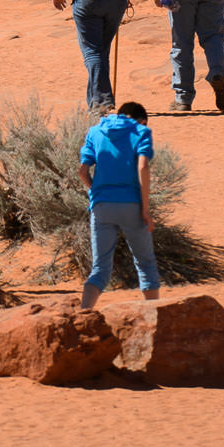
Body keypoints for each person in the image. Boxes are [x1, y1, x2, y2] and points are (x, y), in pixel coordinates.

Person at [79, 101, 162, 307]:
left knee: (100, 270)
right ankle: (154, 320)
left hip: (101, 207)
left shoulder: (95, 131)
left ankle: (82, 315)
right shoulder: (141, 131)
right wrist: (145, 208)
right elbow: (143, 167)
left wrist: (95, 192)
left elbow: (82, 171)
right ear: (142, 120)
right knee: (145, 264)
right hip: (131, 204)